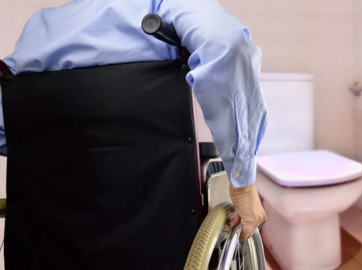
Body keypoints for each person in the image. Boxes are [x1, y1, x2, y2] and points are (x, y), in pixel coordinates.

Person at [0, 0, 267, 241]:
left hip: (48, 238)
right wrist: (242, 180)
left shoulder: (39, 29)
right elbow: (225, 44)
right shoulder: (163, 6)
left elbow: (11, 132)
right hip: (159, 230)